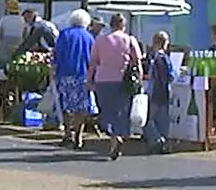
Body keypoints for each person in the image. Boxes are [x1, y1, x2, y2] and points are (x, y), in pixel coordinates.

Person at [88, 12, 143, 160]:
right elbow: (137, 62)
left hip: (103, 80)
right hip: (123, 81)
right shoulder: (130, 40)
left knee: (106, 111)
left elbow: (93, 62)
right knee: (121, 111)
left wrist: (89, 80)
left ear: (111, 25)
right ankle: (117, 137)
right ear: (123, 25)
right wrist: (140, 79)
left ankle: (113, 137)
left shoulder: (100, 40)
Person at [52, 9, 96, 150]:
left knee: (66, 106)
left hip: (65, 74)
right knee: (81, 107)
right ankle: (78, 135)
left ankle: (67, 133)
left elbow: (57, 55)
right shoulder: (89, 37)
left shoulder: (64, 34)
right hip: (83, 75)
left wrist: (53, 70)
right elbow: (93, 59)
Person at [145, 32, 174, 154]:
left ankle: (158, 140)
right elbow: (170, 76)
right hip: (163, 92)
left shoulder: (158, 58)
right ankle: (162, 143)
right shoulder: (164, 58)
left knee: (148, 119)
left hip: (156, 92)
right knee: (162, 120)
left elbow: (160, 77)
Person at [0, 0, 27, 68]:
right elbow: (25, 35)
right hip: (19, 44)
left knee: (3, 66)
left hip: (5, 45)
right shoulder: (22, 20)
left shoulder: (3, 19)